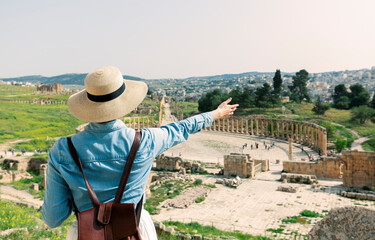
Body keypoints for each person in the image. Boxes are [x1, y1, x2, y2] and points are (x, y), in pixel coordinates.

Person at [42, 66, 238, 239]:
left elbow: (53, 219)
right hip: (135, 231)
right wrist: (215, 114)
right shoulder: (145, 141)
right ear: (123, 102)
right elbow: (181, 129)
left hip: (86, 234)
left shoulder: (62, 150)